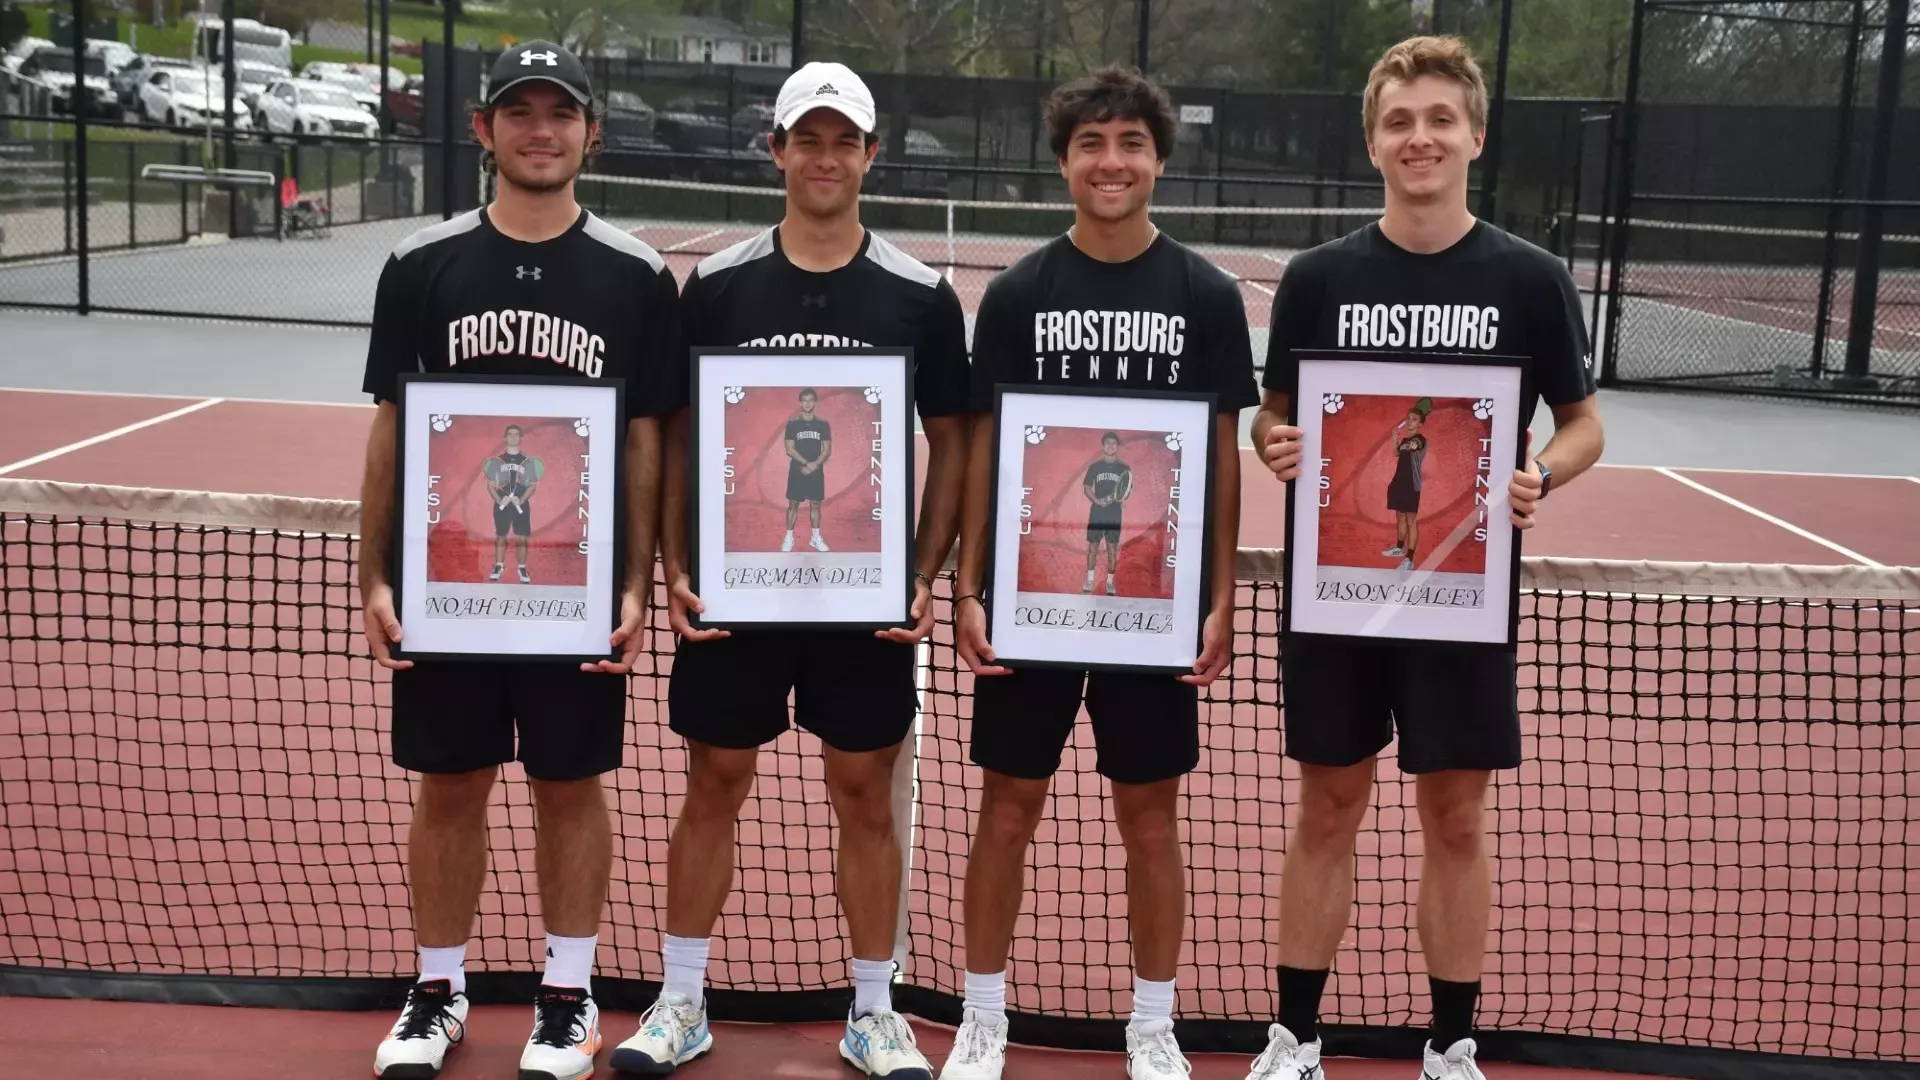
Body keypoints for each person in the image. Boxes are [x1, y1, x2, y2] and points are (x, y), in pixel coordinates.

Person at [1245, 36, 1605, 1080]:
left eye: (1440, 118)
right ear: (1373, 142)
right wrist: (1271, 444)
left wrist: (1543, 468)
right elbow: (1275, 423)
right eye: (1401, 121)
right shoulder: (1317, 280)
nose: (1421, 137)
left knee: (1454, 817)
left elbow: (1584, 424)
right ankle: (1294, 1037)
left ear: (1475, 135)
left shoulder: (1530, 280)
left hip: (1462, 593)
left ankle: (1451, 1046)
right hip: (1338, 593)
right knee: (1327, 806)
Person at [611, 61, 973, 1080]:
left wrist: (922, 572)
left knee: (864, 793)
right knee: (714, 783)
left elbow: (953, 439)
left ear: (870, 153)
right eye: (805, 138)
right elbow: (678, 432)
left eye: (843, 139)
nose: (824, 156)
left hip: (862, 601)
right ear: (775, 150)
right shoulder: (719, 283)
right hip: (737, 592)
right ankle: (681, 1001)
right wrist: (677, 557)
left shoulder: (919, 294)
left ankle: (874, 1011)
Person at [356, 40, 681, 1080]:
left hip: (576, 593)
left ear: (591, 131)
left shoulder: (634, 274)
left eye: (562, 113)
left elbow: (644, 440)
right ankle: (437, 991)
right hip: (448, 588)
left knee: (570, 784)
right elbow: (391, 428)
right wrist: (372, 575)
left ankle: (567, 997)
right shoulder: (420, 264)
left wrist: (636, 578)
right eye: (519, 112)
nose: (542, 130)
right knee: (449, 786)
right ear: (483, 129)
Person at [946, 66, 1258, 1080]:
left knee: (1151, 816)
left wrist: (1219, 596)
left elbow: (1219, 460)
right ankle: (983, 1018)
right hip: (1033, 605)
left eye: (1130, 142)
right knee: (1006, 808)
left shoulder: (1205, 296)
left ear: (1159, 159)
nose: (1111, 161)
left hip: (1155, 610)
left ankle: (1153, 1022)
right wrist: (969, 583)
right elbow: (989, 449)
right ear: (1065, 161)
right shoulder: (1022, 292)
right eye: (1091, 143)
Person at [487, 423, 542, 581]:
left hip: (521, 504)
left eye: (516, 434)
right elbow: (490, 485)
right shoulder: (497, 461)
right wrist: (499, 499)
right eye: (510, 434)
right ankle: (498, 566)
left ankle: (522, 569)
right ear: (505, 437)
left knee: (521, 537)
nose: (513, 437)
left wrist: (522, 499)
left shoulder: (527, 462)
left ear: (520, 437)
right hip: (502, 504)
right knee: (500, 536)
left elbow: (532, 486)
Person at [784, 387, 833, 552]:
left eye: (810, 400)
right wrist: (807, 463)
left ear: (815, 402)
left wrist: (815, 464)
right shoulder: (792, 424)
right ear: (800, 402)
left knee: (816, 504)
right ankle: (789, 538)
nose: (807, 403)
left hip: (816, 470)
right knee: (793, 504)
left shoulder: (823, 425)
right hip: (797, 470)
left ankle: (815, 538)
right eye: (804, 400)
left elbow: (827, 449)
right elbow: (789, 449)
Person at [1083, 431, 1132, 594]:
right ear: (1103, 446)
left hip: (1114, 514)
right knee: (1093, 548)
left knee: (1112, 549)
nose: (1111, 445)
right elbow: (1087, 487)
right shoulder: (1095, 467)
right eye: (1107, 443)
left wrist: (1112, 499)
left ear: (1117, 446)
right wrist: (1097, 501)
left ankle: (1110, 583)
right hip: (1097, 512)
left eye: (1114, 443)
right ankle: (1089, 581)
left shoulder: (1124, 468)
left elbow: (1126, 491)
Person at [1384, 400, 1431, 570]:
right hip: (1399, 482)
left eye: (1415, 419)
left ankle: (1410, 559)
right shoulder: (1405, 440)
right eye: (1409, 418)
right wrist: (1395, 437)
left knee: (1411, 520)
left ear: (1420, 424)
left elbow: (1415, 445)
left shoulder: (1421, 440)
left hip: (1412, 484)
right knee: (1400, 516)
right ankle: (1398, 547)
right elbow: (1397, 452)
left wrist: (1412, 444)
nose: (1410, 421)